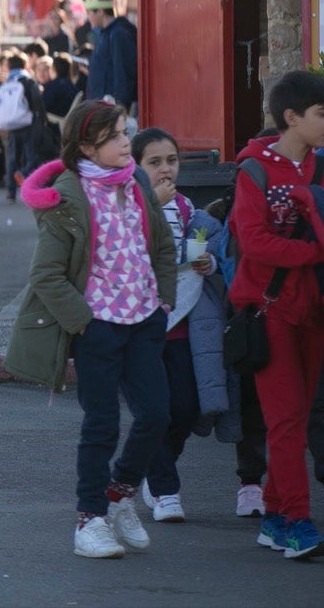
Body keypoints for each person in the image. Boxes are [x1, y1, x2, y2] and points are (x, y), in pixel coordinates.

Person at [4, 101, 175, 560]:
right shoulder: (69, 194)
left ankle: (119, 496)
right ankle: (90, 519)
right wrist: (85, 323)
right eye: (115, 137)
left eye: (125, 132)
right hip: (98, 326)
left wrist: (163, 300)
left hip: (144, 319)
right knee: (101, 424)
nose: (126, 142)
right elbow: (46, 274)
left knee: (157, 414)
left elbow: (158, 241)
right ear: (86, 147)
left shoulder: (135, 181)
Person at [228, 70, 324, 559]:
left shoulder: (320, 168)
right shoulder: (254, 170)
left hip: (313, 310)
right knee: (285, 420)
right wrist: (312, 254)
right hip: (268, 310)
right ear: (292, 118)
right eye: (320, 113)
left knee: (297, 416)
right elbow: (253, 242)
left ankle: (274, 515)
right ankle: (299, 524)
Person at [130, 127, 227, 524]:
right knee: (155, 411)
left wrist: (209, 263)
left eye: (171, 161)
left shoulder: (189, 211)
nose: (166, 169)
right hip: (141, 326)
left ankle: (155, 471)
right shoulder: (130, 208)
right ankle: (166, 490)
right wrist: (151, 205)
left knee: (185, 409)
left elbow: (208, 256)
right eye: (154, 163)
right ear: (136, 168)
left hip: (183, 324)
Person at [0, 52, 39, 203]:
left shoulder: (4, 83)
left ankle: (11, 192)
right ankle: (26, 180)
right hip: (27, 123)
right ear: (25, 65)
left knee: (12, 158)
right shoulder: (27, 80)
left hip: (11, 125)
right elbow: (36, 102)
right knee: (32, 156)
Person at [84, 0, 139, 117]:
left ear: (101, 11)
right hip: (101, 106)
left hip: (111, 110)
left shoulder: (118, 33)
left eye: (90, 12)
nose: (88, 17)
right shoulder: (106, 34)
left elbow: (124, 72)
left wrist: (120, 107)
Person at [44, 53, 81, 119]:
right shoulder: (73, 87)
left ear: (54, 68)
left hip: (54, 123)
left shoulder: (52, 86)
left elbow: (44, 106)